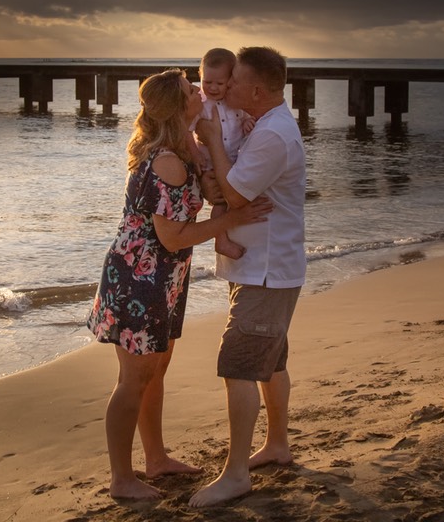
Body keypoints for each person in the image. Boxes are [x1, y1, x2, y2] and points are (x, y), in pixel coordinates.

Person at [86, 69, 273, 500]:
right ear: (179, 106)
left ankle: (156, 459)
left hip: (163, 275)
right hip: (140, 277)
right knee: (134, 378)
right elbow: (173, 236)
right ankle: (121, 478)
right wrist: (229, 220)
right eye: (192, 90)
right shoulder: (167, 161)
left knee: (156, 370)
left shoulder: (181, 145)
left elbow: (209, 184)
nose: (200, 93)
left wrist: (231, 137)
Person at [189, 46, 307, 508]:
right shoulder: (266, 127)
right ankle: (277, 444)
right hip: (263, 266)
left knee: (237, 364)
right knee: (270, 361)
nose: (226, 86)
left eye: (234, 80)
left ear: (256, 90)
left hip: (266, 272)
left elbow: (235, 194)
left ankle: (236, 474)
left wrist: (213, 139)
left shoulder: (272, 137)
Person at [197, 48, 252, 260]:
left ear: (230, 80)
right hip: (212, 163)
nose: (212, 88)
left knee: (234, 200)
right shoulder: (200, 104)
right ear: (200, 75)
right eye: (207, 82)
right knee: (220, 203)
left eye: (219, 84)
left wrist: (247, 120)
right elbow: (187, 130)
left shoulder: (235, 101)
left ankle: (232, 235)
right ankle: (221, 241)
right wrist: (194, 154)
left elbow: (244, 115)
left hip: (235, 161)